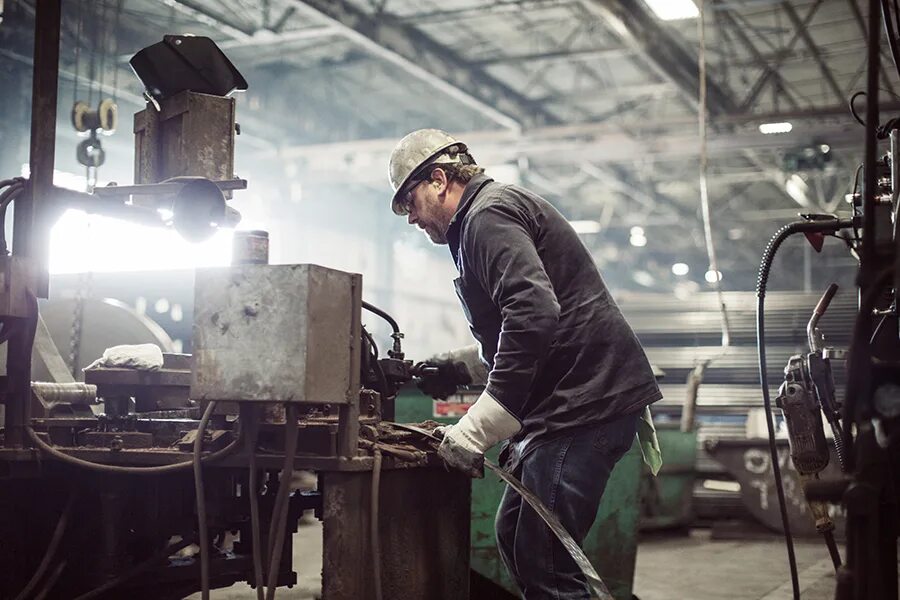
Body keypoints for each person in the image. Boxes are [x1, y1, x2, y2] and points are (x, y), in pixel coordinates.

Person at [388, 129, 662, 600]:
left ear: (438, 179)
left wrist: (478, 428)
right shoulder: (481, 219)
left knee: (545, 562)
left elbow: (534, 313)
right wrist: (461, 369)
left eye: (409, 202)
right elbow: (524, 327)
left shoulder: (487, 215)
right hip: (576, 401)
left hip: (583, 405)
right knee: (516, 538)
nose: (410, 218)